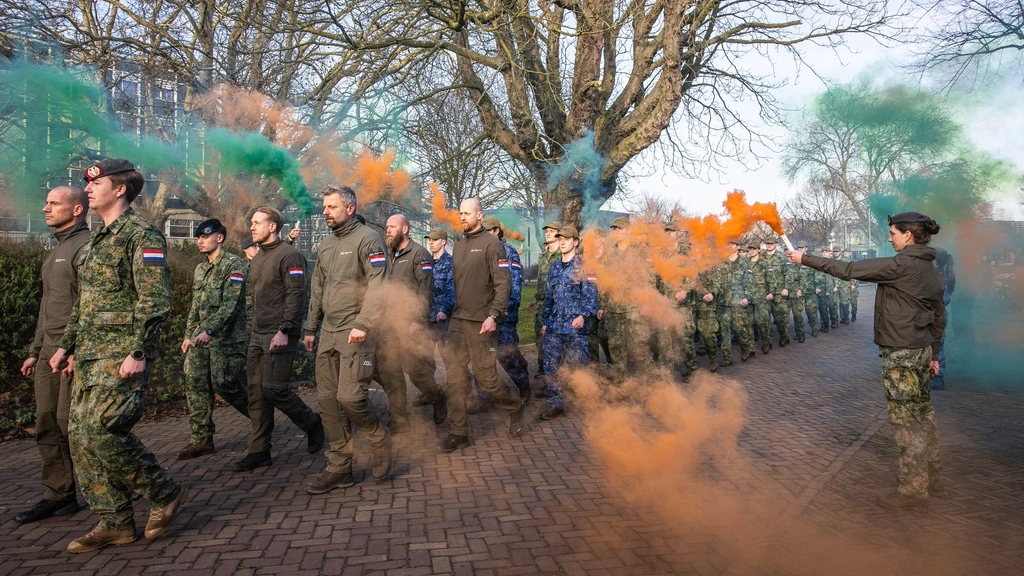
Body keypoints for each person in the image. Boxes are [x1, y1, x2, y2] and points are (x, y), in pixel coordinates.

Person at [49, 159, 187, 552]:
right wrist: (67, 346)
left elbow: (155, 299)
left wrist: (139, 350)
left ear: (120, 189)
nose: (87, 189)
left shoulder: (141, 234)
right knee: (79, 437)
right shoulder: (97, 240)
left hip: (122, 355)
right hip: (91, 356)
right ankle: (114, 522)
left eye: (97, 183)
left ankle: (164, 492)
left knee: (102, 432)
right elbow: (86, 303)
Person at [787, 211, 946, 510]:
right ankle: (932, 478)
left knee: (905, 420)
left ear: (908, 235)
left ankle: (913, 490)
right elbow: (939, 317)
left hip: (900, 352)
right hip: (922, 350)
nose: (889, 238)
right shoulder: (933, 271)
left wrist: (805, 259)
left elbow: (848, 269)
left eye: (894, 233)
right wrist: (934, 355)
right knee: (924, 415)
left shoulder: (902, 265)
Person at [302, 186, 393, 492]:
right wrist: (311, 328)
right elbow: (318, 288)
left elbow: (379, 285)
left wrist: (364, 323)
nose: (325, 211)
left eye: (331, 207)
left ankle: (379, 439)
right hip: (328, 333)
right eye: (324, 207)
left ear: (350, 208)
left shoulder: (369, 239)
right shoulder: (326, 245)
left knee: (350, 398)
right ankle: (340, 467)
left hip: (357, 332)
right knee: (328, 402)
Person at [15, 186, 90, 525]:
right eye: (45, 202)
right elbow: (48, 306)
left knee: (70, 424)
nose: (45, 208)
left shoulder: (85, 247)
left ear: (76, 210)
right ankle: (59, 495)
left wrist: (76, 349)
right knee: (46, 422)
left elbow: (91, 306)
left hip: (71, 352)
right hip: (48, 353)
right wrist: (35, 351)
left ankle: (114, 484)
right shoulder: (56, 249)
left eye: (54, 203)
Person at [235, 206, 325, 473]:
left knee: (274, 389)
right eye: (251, 222)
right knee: (256, 393)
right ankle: (259, 451)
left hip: (280, 333)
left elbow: (297, 296)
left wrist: (285, 330)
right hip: (258, 333)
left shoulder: (291, 256)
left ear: (273, 226)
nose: (252, 227)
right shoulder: (258, 258)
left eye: (257, 223)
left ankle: (312, 423)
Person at [441, 198, 526, 452]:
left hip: (483, 322)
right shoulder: (457, 247)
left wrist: (493, 315)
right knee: (454, 376)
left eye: (467, 213)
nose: (462, 217)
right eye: (460, 214)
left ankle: (515, 406)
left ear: (480, 216)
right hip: (459, 320)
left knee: (486, 378)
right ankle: (459, 433)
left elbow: (503, 284)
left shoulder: (493, 245)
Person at [177, 219, 251, 460]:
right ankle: (201, 440)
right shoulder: (201, 269)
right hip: (200, 339)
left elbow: (230, 305)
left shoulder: (234, 265)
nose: (200, 241)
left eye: (205, 237)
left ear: (219, 238)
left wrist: (209, 331)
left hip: (225, 339)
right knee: (196, 384)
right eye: (198, 237)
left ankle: (261, 419)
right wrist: (189, 335)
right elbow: (195, 306)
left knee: (225, 384)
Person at [377, 214, 447, 431]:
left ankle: (437, 396)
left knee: (413, 368)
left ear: (405, 229)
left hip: (410, 322)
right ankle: (400, 418)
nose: (387, 230)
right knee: (390, 370)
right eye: (387, 226)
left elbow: (425, 289)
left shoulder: (420, 254)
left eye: (392, 227)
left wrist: (418, 319)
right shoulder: (387, 254)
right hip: (388, 323)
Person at [540, 225, 598, 419]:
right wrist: (546, 321)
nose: (562, 241)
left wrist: (583, 316)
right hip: (555, 326)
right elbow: (549, 297)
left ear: (575, 242)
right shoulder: (554, 267)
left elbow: (591, 296)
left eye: (566, 238)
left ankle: (590, 399)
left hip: (575, 326)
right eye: (560, 238)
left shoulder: (585, 266)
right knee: (551, 366)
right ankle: (555, 404)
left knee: (579, 366)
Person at [482, 216, 531, 402]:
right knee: (485, 357)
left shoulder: (508, 252)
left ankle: (523, 385)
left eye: (488, 230)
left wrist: (507, 307)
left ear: (496, 231)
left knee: (507, 354)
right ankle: (486, 398)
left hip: (505, 313)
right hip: (484, 313)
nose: (484, 234)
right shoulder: (482, 251)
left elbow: (514, 283)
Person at [603, 216, 655, 382]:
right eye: (614, 229)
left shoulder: (639, 251)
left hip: (634, 307)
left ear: (628, 230)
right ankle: (621, 384)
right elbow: (605, 280)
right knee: (616, 347)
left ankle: (653, 382)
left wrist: (647, 302)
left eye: (619, 228)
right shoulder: (609, 253)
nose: (616, 231)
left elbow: (649, 278)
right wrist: (603, 304)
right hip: (614, 308)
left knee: (639, 346)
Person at [530, 221, 561, 389]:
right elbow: (542, 281)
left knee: (552, 344)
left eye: (552, 231)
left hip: (556, 306)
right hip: (541, 304)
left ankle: (553, 381)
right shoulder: (543, 255)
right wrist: (536, 300)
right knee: (540, 342)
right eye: (547, 231)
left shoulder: (561, 256)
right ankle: (543, 374)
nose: (548, 234)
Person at [425, 228, 454, 351]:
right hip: (427, 318)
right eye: (430, 240)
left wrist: (445, 310)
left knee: (448, 357)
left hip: (443, 319)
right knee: (424, 357)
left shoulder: (450, 262)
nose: (431, 242)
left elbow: (452, 289)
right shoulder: (427, 262)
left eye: (435, 240)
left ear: (443, 242)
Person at [931, 247, 955, 390]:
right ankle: (935, 377)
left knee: (936, 348)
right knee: (937, 347)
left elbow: (943, 299)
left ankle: (936, 378)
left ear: (934, 261)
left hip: (935, 316)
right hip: (938, 315)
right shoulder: (942, 275)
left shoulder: (937, 277)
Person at [796, 242, 820, 337]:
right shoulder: (795, 260)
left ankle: (814, 328)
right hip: (798, 291)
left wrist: (818, 286)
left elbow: (817, 274)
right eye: (799, 248)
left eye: (802, 248)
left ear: (806, 248)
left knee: (811, 312)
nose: (800, 249)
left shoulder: (810, 260)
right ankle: (800, 332)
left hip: (810, 291)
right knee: (797, 313)